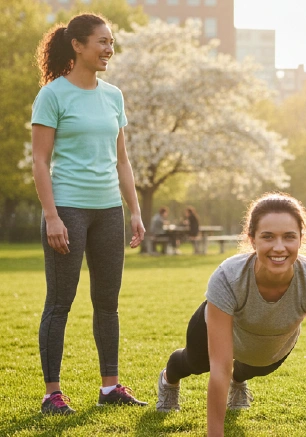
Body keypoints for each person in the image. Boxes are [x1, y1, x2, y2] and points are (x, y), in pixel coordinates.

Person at [31, 13, 147, 415]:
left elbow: (122, 162)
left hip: (108, 211)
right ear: (77, 45)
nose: (108, 49)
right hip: (68, 208)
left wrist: (134, 211)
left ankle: (110, 386)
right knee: (60, 301)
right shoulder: (53, 95)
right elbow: (40, 162)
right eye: (101, 41)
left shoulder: (113, 95)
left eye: (111, 42)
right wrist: (51, 216)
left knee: (107, 301)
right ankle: (52, 393)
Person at [155, 193, 306, 437]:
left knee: (257, 366)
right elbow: (220, 367)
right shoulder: (228, 277)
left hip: (271, 341)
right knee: (197, 363)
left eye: (288, 237)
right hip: (219, 326)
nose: (278, 247)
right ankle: (169, 379)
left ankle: (239, 382)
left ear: (301, 238)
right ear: (252, 239)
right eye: (267, 237)